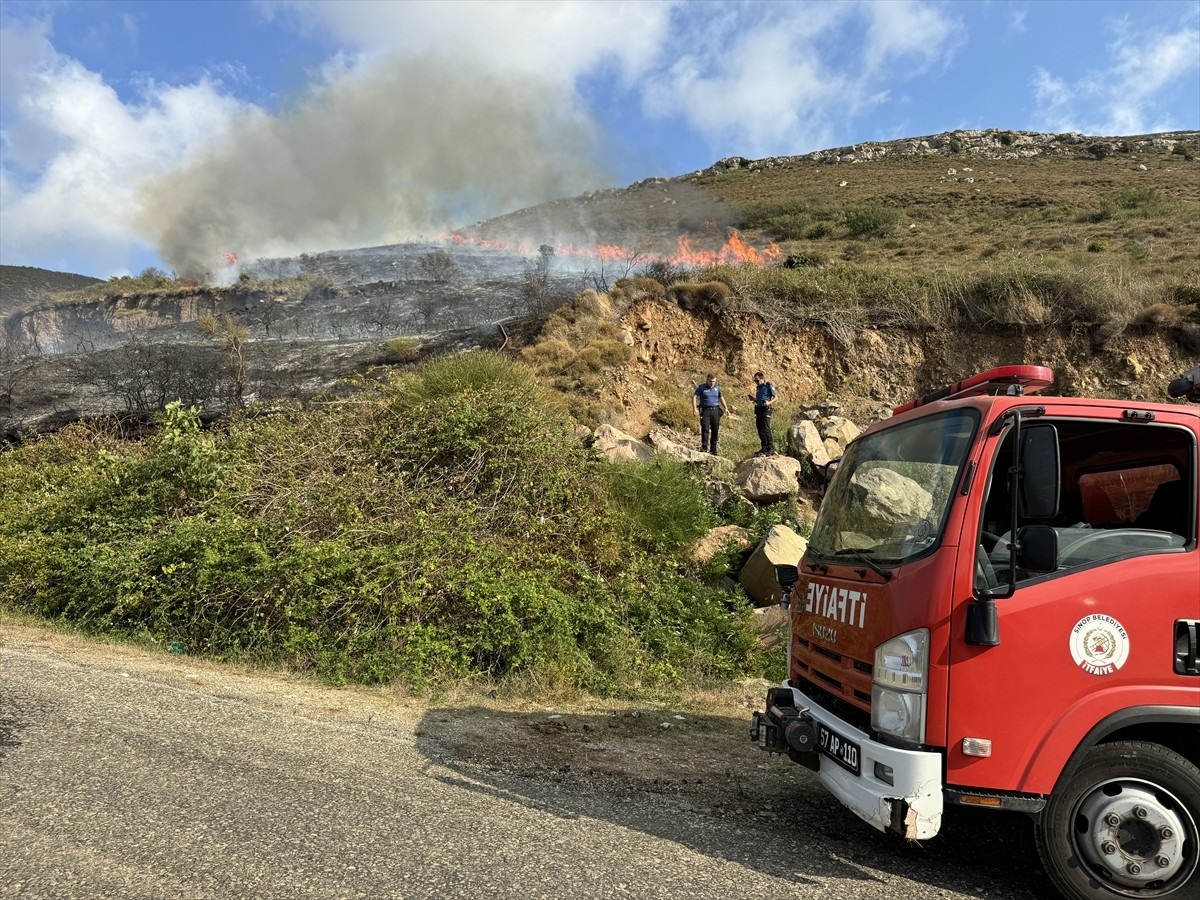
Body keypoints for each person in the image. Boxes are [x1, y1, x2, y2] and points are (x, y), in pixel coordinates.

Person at [693, 373, 731, 455]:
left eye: (714, 381)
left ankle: (713, 449)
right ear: (707, 380)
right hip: (705, 411)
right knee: (705, 429)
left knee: (715, 430)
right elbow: (694, 397)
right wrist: (695, 409)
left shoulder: (717, 388)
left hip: (715, 411)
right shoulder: (702, 387)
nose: (712, 383)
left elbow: (721, 397)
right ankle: (704, 448)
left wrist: (726, 408)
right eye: (710, 381)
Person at [750, 371, 777, 456]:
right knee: (760, 428)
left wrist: (769, 403)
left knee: (766, 428)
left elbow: (776, 397)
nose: (756, 382)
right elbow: (759, 400)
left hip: (766, 409)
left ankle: (771, 448)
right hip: (759, 409)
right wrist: (753, 399)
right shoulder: (758, 388)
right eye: (755, 381)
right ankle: (764, 447)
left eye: (757, 380)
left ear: (762, 379)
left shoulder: (768, 385)